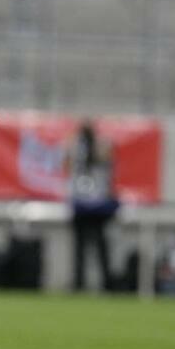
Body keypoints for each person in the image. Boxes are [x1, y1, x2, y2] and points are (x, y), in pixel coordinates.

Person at [66, 118, 118, 292]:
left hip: (98, 205)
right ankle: (78, 283)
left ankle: (107, 283)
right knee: (79, 247)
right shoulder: (76, 148)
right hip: (80, 203)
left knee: (101, 246)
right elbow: (67, 161)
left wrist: (92, 146)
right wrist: (78, 145)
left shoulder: (101, 146)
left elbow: (106, 157)